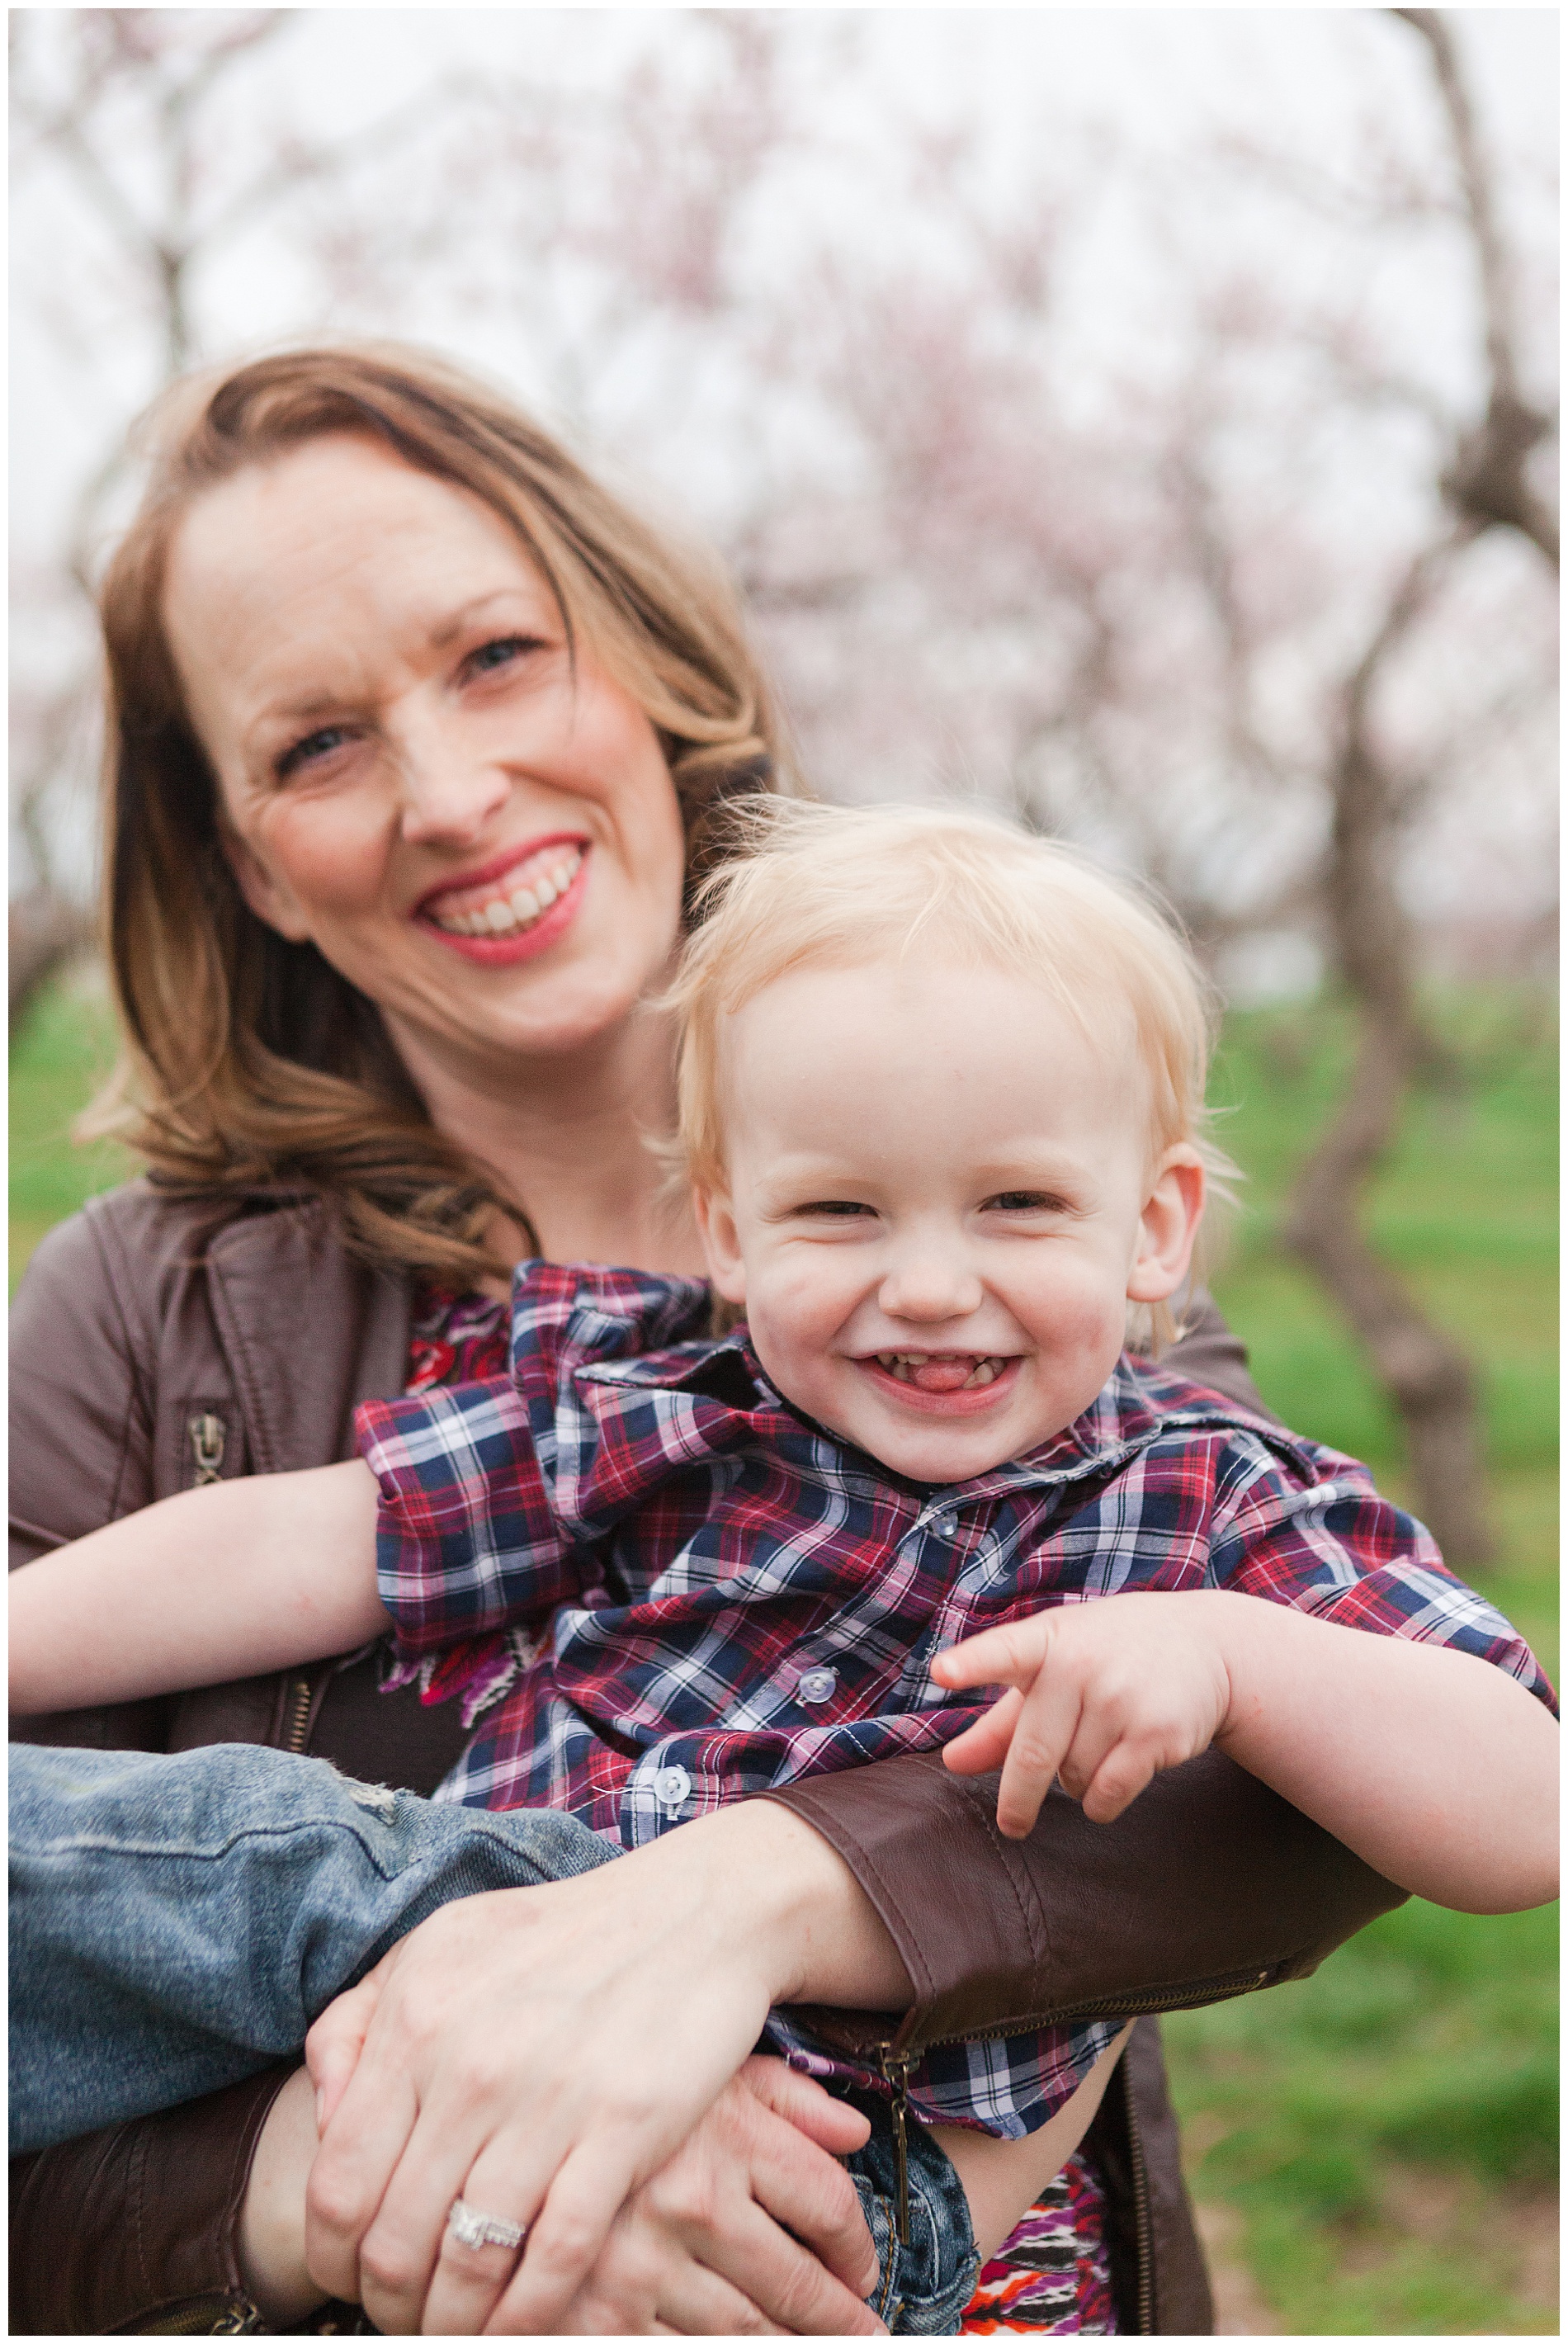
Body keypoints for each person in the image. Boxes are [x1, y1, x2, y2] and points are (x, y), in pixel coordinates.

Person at [8, 344, 1415, 2340]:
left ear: (653, 663)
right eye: (316, 744)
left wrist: (731, 1895)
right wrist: (320, 2185)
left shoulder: (1008, 1229)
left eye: (496, 654)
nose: (447, 788)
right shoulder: (144, 1316)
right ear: (250, 864)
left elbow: (1278, 1809)